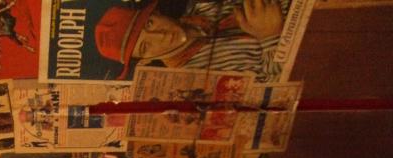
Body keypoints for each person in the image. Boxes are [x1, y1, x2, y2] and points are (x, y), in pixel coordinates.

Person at [94, 0, 287, 82]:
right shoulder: (197, 80)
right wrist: (271, 37)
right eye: (146, 46)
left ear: (156, 12)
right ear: (145, 61)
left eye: (149, 24)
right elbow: (275, 95)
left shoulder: (203, 7)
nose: (160, 35)